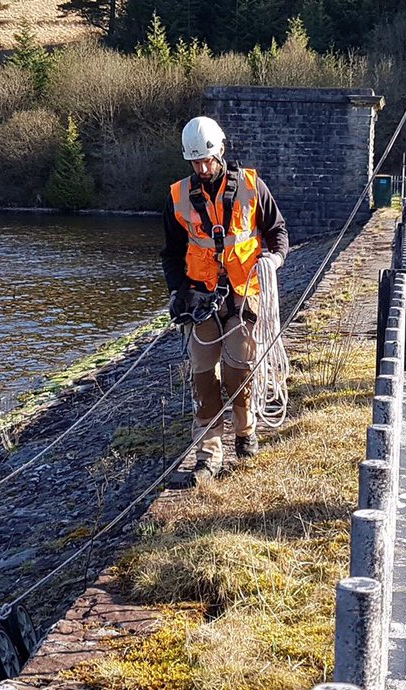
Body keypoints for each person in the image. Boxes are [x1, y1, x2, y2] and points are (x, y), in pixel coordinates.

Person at [161, 115, 290, 486]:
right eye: (195, 162)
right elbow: (170, 253)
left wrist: (274, 259)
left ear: (220, 152)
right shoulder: (178, 197)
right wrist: (177, 290)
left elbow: (277, 230)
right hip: (200, 299)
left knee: (238, 369)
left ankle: (246, 429)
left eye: (207, 160)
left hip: (244, 293)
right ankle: (207, 454)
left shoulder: (252, 187)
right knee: (203, 376)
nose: (202, 168)